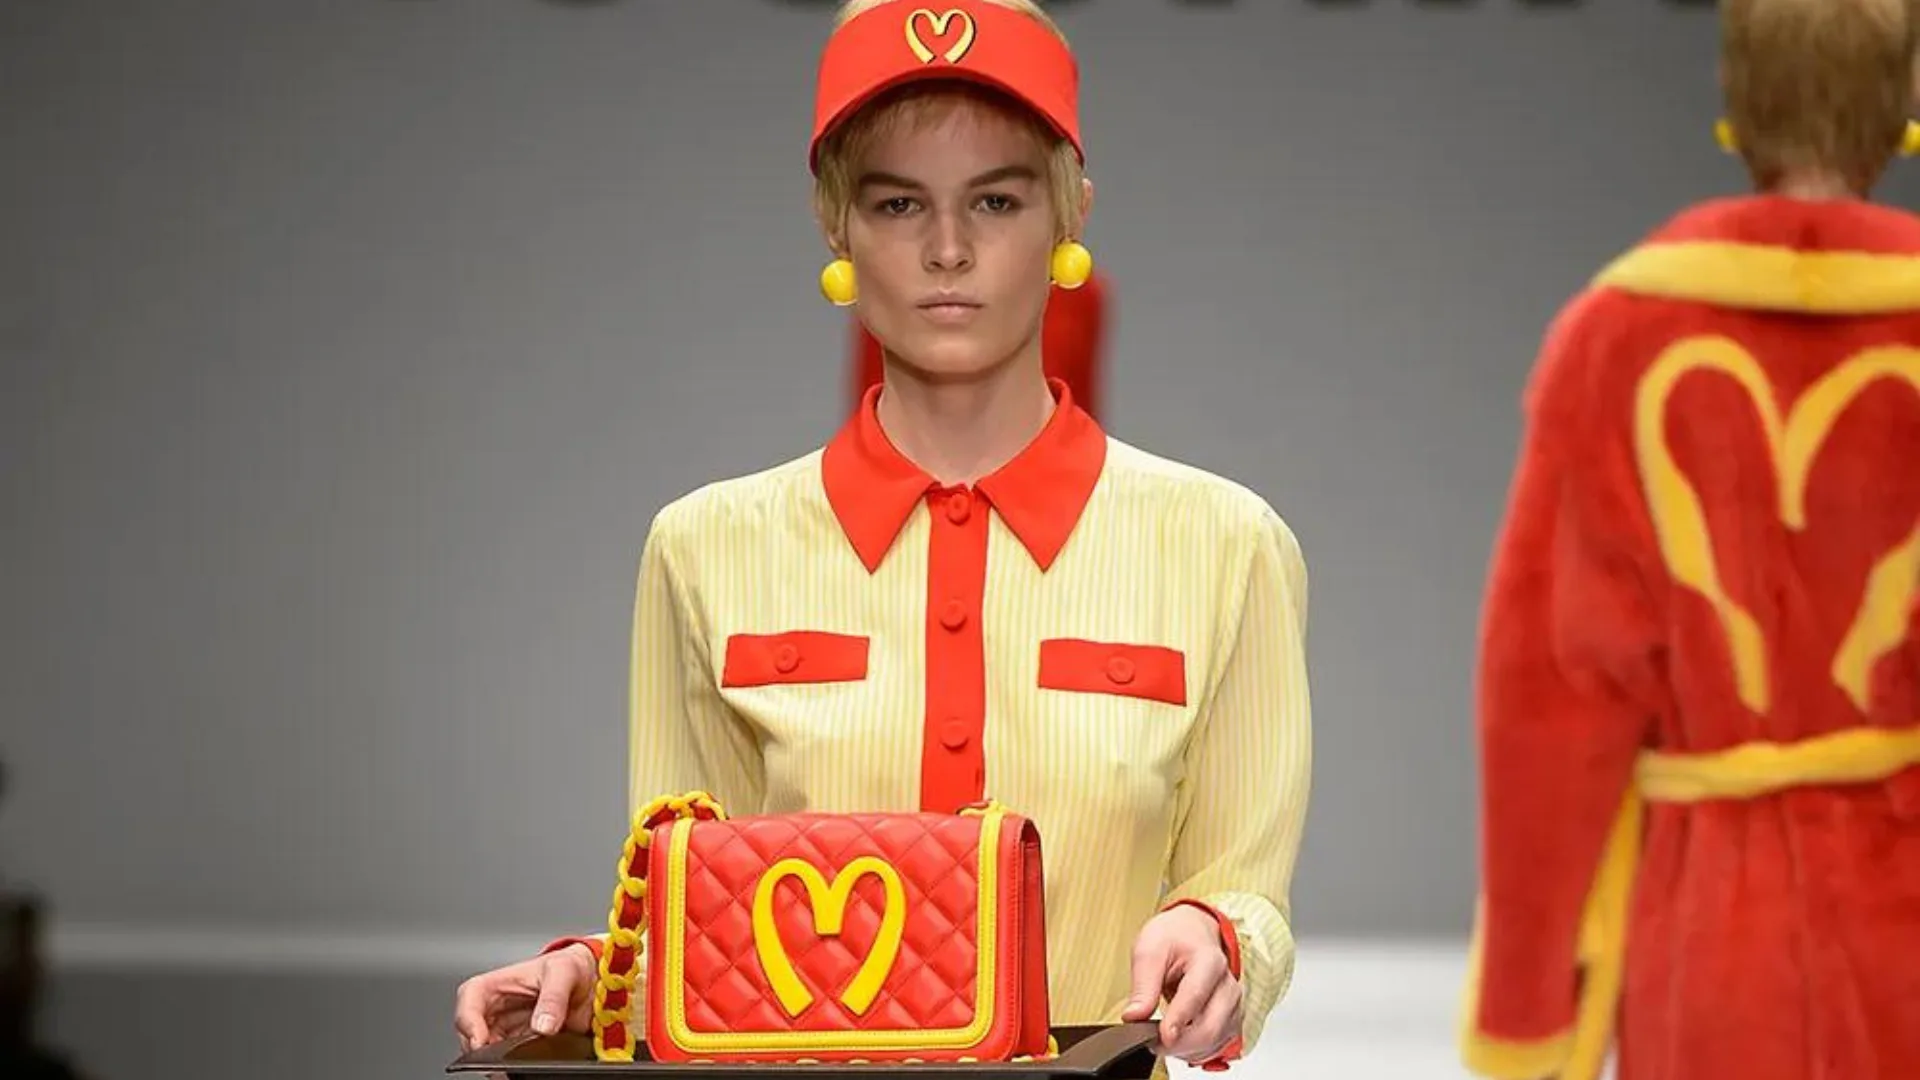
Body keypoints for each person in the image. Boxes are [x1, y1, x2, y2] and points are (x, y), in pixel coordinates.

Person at [453, 0, 1312, 1071]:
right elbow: (696, 911)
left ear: (1070, 212)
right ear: (834, 223)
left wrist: (1221, 940)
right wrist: (600, 973)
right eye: (899, 203)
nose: (948, 250)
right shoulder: (705, 549)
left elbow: (1247, 890)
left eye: (995, 200)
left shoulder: (1226, 546)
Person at [1460, 2, 1920, 1078]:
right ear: (1902, 110)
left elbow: (1546, 693)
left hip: (1709, 923)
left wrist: (1529, 1002)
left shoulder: (1616, 336)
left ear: (1734, 110)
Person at [847, 266, 1111, 422]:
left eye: (996, 203)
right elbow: (873, 402)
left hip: (1057, 487)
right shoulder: (896, 293)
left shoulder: (1080, 295)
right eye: (900, 205)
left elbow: (1080, 407)